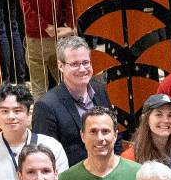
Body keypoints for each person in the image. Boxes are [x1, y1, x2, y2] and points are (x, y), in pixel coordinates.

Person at [32, 35, 113, 166]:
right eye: (75, 64)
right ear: (61, 66)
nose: (82, 69)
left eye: (86, 62)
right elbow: (45, 157)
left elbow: (114, 132)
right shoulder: (46, 106)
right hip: (73, 179)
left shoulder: (100, 90)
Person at [57, 107, 142, 180]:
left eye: (105, 131)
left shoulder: (139, 174)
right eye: (93, 131)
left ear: (115, 135)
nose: (100, 138)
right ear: (82, 135)